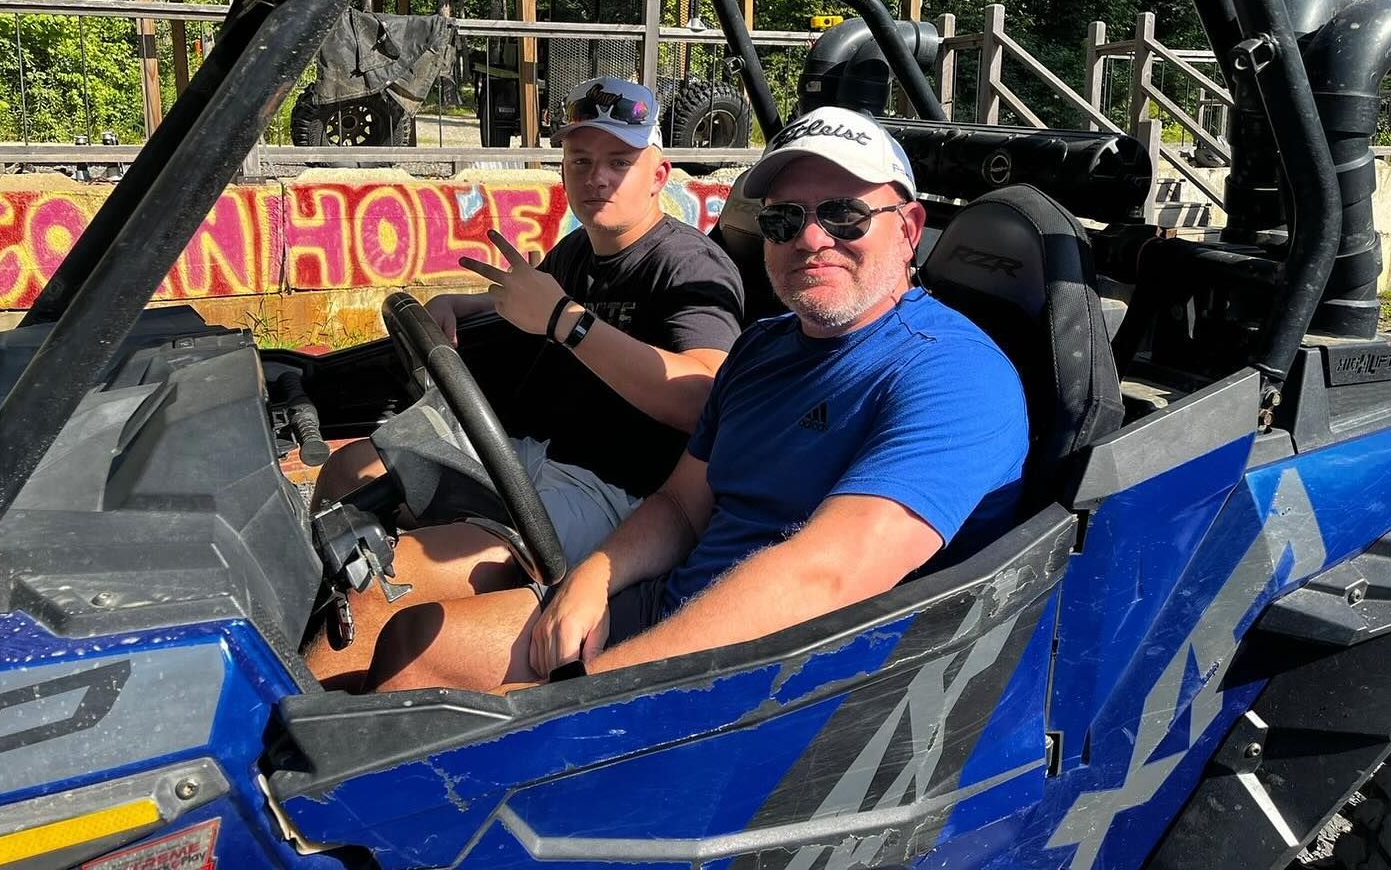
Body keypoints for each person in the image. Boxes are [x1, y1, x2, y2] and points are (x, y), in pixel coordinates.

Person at [366, 105, 1030, 693]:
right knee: (413, 644)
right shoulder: (764, 348)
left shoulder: (953, 373)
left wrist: (596, 696)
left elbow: (826, 578)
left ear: (910, 228)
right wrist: (597, 574)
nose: (811, 237)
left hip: (791, 672)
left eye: (845, 214)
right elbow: (684, 506)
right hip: (678, 607)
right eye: (784, 218)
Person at [307, 76, 744, 689]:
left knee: (370, 579)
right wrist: (463, 305)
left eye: (620, 162)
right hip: (528, 454)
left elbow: (705, 394)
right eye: (582, 161)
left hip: (612, 488)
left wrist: (569, 324)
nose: (599, 178)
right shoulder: (579, 251)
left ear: (659, 173)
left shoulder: (687, 265)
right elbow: (531, 299)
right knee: (350, 471)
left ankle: (309, 736)